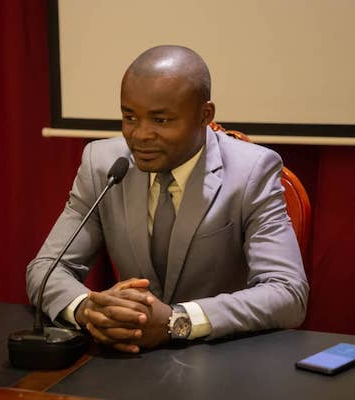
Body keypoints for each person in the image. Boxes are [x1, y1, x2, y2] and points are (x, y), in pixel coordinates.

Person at [26, 45, 308, 353]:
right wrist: (88, 309)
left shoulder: (252, 171)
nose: (140, 135)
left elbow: (287, 293)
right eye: (130, 117)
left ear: (205, 115)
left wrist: (177, 321)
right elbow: (45, 269)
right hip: (125, 360)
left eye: (160, 120)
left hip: (218, 357)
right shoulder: (103, 164)